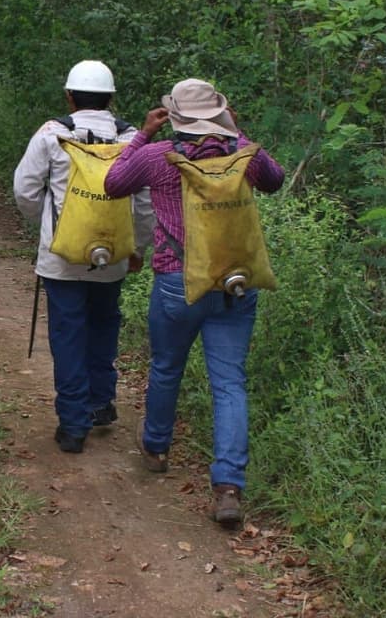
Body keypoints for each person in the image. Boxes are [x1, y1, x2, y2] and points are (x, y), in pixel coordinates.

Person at [103, 77, 283, 527]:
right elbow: (275, 181)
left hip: (177, 281)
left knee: (167, 366)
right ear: (220, 113)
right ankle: (227, 486)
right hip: (236, 282)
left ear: (175, 116)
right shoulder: (242, 155)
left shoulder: (157, 156)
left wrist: (142, 133)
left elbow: (113, 184)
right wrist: (237, 134)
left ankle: (157, 447)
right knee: (229, 382)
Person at [12, 60, 153, 453]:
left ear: (69, 96)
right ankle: (101, 402)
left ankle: (74, 425)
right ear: (111, 98)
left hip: (61, 260)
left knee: (68, 336)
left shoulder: (51, 135)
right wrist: (136, 248)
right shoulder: (132, 140)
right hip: (112, 257)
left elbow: (24, 190)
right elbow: (143, 205)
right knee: (104, 327)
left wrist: (46, 226)